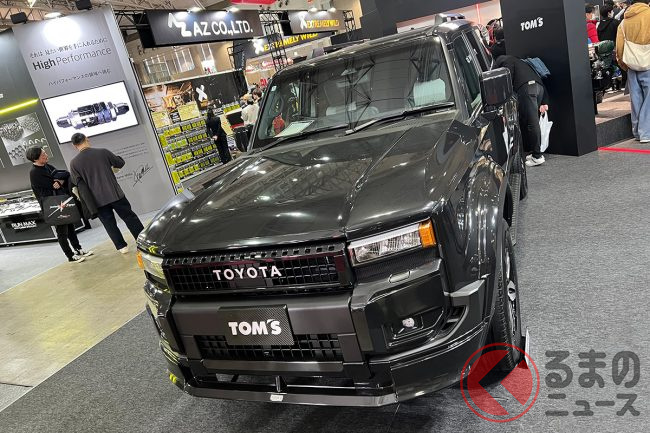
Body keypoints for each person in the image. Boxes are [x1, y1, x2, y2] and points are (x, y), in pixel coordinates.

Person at [69, 133, 144, 253]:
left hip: (97, 200)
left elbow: (77, 182)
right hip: (115, 194)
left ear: (74, 146)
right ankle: (142, 241)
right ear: (87, 139)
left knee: (109, 224)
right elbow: (119, 163)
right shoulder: (103, 152)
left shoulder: (74, 163)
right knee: (130, 217)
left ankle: (121, 247)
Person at [26, 146, 92, 263]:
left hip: (61, 201)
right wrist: (56, 181)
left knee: (70, 227)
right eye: (43, 154)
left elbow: (65, 175)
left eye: (45, 153)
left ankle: (78, 249)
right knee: (62, 232)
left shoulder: (48, 166)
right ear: (35, 158)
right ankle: (70, 256)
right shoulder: (34, 173)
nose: (46, 155)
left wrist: (57, 181)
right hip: (53, 206)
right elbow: (53, 184)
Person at [492, 50, 550, 166]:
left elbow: (507, 83)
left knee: (532, 123)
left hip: (527, 89)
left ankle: (537, 156)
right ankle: (534, 152)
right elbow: (539, 78)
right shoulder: (522, 62)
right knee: (532, 122)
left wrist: (501, 106)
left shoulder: (504, 61)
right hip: (539, 88)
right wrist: (545, 101)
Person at [616, 0, 650, 143]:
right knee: (648, 99)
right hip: (648, 63)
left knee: (635, 99)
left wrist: (624, 65)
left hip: (630, 64)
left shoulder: (624, 21)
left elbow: (619, 48)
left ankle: (636, 131)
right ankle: (645, 133)